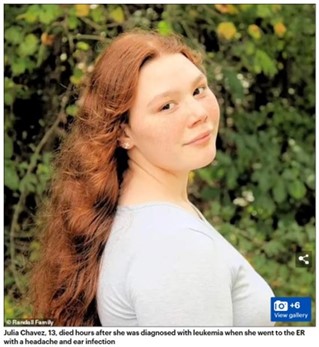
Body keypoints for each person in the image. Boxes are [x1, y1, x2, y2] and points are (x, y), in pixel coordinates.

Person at [30, 30, 274, 326]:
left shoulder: (139, 218)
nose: (198, 113)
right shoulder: (176, 246)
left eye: (198, 90)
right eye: (166, 106)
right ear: (123, 133)